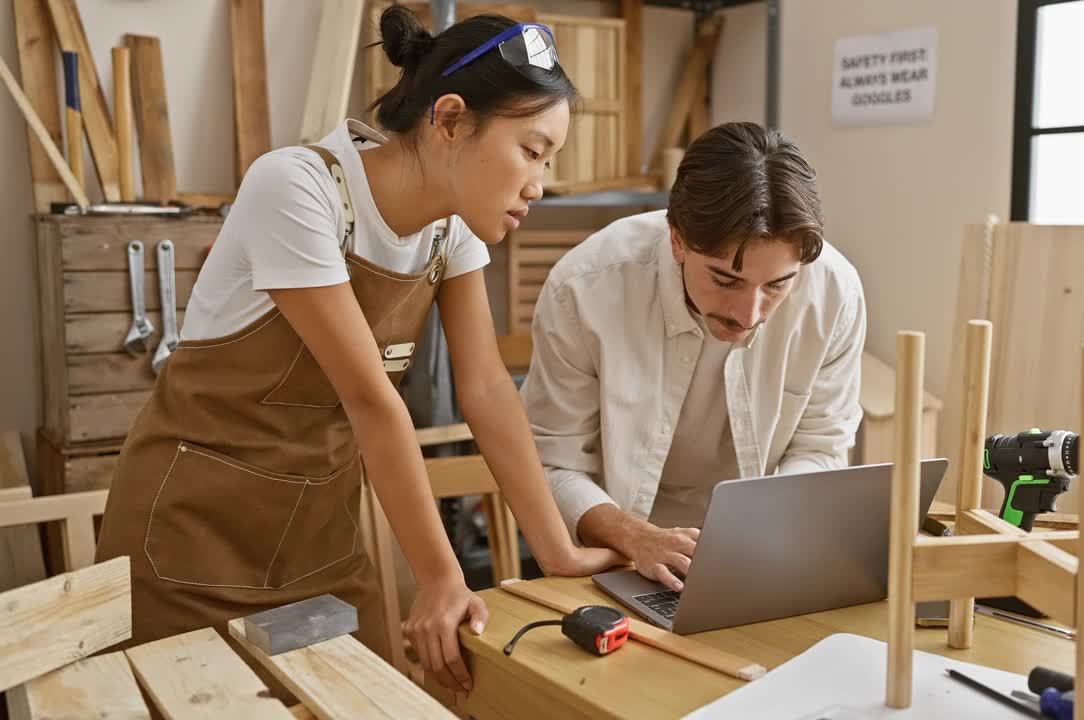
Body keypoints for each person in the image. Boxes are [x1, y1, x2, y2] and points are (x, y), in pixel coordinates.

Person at [94, 7, 621, 695]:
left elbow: (488, 391)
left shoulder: (449, 233)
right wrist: (440, 576)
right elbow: (370, 399)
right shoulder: (298, 189)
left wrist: (557, 550)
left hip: (320, 542)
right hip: (191, 542)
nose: (538, 185)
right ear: (452, 119)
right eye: (531, 151)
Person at [521, 121, 867, 593]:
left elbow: (821, 449)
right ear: (678, 239)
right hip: (615, 556)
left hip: (761, 552)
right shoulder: (585, 289)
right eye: (726, 280)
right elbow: (552, 463)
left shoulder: (834, 292)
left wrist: (764, 526)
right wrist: (634, 537)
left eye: (776, 286)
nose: (749, 315)